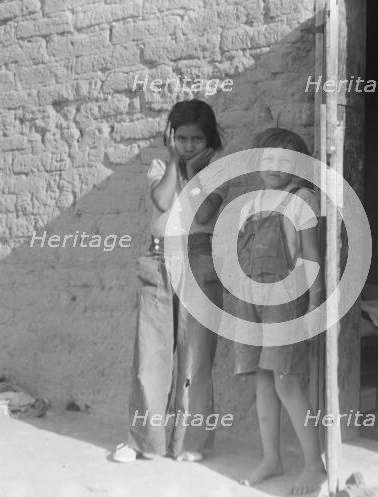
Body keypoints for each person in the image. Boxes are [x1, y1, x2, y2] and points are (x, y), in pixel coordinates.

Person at [113, 99, 226, 463]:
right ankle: (143, 441)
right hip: (158, 263)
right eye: (182, 138)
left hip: (198, 263)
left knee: (195, 359)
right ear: (170, 137)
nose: (189, 144)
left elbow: (205, 210)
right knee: (150, 358)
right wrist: (176, 163)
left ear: (209, 140)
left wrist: (194, 171)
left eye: (196, 139)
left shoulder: (216, 170)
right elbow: (163, 202)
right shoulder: (162, 166)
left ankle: (189, 444)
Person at [234, 128, 327, 494]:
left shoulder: (301, 198)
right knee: (262, 377)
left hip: (285, 301)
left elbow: (311, 257)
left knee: (285, 379)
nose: (273, 167)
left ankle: (313, 465)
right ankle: (271, 458)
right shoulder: (249, 203)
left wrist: (315, 304)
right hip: (249, 299)